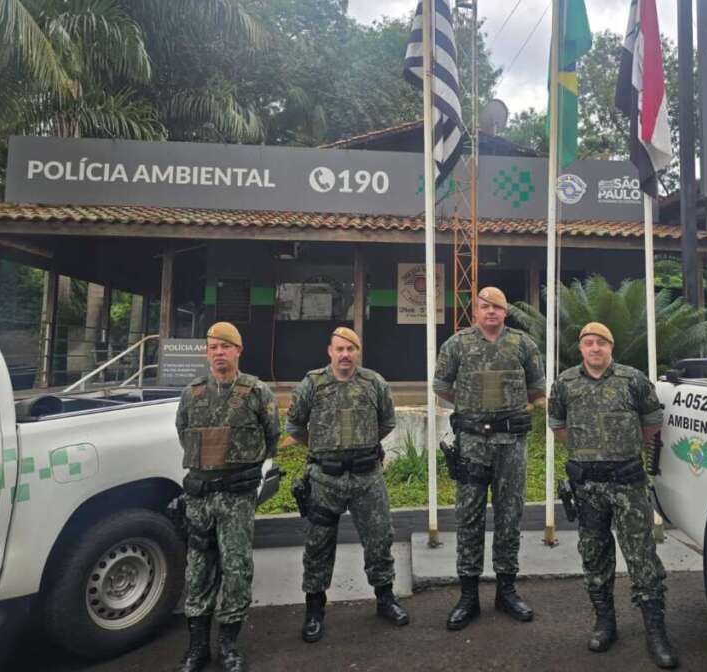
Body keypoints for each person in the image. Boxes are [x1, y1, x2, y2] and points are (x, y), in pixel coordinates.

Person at [548, 322, 678, 668]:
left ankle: (655, 631)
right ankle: (605, 623)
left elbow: (652, 422)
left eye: (601, 343)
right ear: (581, 348)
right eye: (588, 343)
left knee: (642, 558)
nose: (594, 349)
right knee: (594, 554)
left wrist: (622, 449)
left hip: (627, 482)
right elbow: (559, 428)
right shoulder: (565, 383)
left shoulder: (633, 380)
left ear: (611, 347)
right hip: (587, 486)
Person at [285, 327, 409, 643]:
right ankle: (314, 609)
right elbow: (295, 426)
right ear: (330, 351)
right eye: (339, 349)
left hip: (368, 477)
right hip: (324, 479)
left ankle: (385, 598)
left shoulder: (374, 383)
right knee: (317, 545)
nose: (345, 355)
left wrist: (362, 445)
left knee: (380, 538)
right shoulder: (312, 384)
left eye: (350, 349)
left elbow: (387, 422)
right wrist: (323, 448)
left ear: (358, 352)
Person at [433, 286, 546, 631]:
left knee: (510, 513)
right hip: (471, 442)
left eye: (497, 307)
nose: (491, 312)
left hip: (511, 442)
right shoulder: (457, 345)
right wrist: (473, 411)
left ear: (505, 311)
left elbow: (537, 390)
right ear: (476, 311)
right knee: (468, 515)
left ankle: (506, 590)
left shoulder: (523, 345)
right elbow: (442, 387)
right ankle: (468, 595)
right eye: (485, 306)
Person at [175, 322, 279, 672]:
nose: (218, 352)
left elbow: (272, 436)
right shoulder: (192, 393)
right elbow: (183, 432)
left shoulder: (256, 392)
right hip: (201, 497)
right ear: (207, 352)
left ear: (238, 350)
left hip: (237, 497)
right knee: (199, 570)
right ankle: (197, 648)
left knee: (236, 569)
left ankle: (229, 645)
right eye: (213, 347)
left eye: (225, 346)